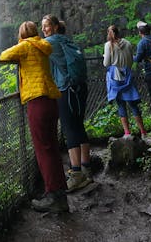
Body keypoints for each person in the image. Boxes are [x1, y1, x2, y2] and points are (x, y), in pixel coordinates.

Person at [0, 21, 69, 213]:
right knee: (52, 147)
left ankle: (54, 195)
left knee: (43, 149)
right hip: (50, 100)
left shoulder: (25, 46)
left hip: (37, 101)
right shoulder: (43, 45)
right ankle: (59, 193)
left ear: (22, 35)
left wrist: (21, 43)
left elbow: (4, 56)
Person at [41, 14, 92, 192]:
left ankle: (76, 174)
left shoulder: (51, 41)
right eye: (42, 26)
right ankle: (86, 168)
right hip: (79, 87)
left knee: (69, 129)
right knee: (78, 126)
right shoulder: (64, 40)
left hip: (67, 89)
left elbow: (32, 46)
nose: (43, 30)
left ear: (55, 27)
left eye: (46, 26)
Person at [104, 25, 148, 140]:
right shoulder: (128, 43)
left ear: (109, 34)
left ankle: (127, 133)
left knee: (121, 104)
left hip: (115, 77)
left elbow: (106, 63)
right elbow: (130, 60)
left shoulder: (108, 45)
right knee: (133, 104)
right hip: (127, 75)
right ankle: (143, 131)